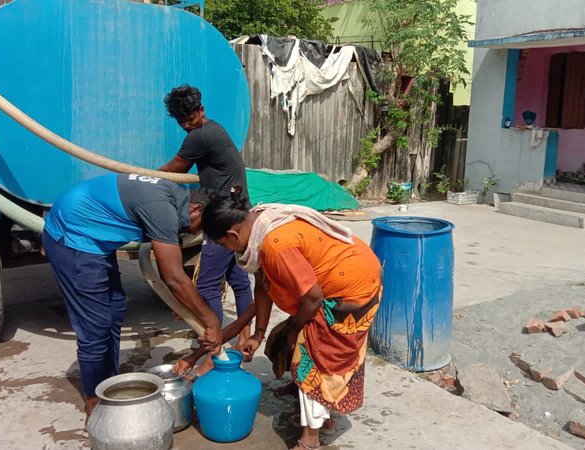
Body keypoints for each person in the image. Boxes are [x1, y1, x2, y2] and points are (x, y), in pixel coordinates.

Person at [199, 188, 382, 450]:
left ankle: (311, 438)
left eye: (222, 244)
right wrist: (258, 334)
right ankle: (314, 408)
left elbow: (312, 298)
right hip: (338, 279)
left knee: (313, 361)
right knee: (280, 341)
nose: (224, 249)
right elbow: (263, 284)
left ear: (233, 234)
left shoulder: (275, 244)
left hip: (350, 290)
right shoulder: (259, 224)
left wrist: (296, 328)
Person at [42, 173, 222, 422]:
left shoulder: (175, 197)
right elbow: (173, 277)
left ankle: (108, 383)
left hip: (95, 238)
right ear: (196, 208)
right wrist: (210, 321)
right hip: (73, 237)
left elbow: (173, 277)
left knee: (115, 309)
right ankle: (94, 406)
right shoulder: (162, 209)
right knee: (95, 327)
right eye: (201, 226)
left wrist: (185, 305)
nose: (196, 232)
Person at [157, 84, 253, 373]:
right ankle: (243, 338)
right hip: (238, 212)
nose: (188, 125)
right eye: (182, 122)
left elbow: (176, 168)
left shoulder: (201, 135)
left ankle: (213, 352)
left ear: (202, 111)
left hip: (223, 220)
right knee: (238, 280)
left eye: (191, 118)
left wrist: (141, 178)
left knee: (208, 283)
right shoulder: (212, 130)